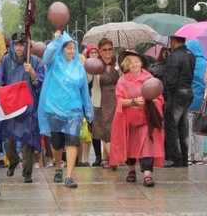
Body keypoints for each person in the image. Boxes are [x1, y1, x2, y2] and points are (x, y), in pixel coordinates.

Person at [38, 31, 93, 188]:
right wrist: (56, 41)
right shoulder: (53, 63)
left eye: (72, 48)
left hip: (74, 112)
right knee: (56, 143)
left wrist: (88, 111)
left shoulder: (79, 68)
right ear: (62, 49)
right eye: (67, 47)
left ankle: (69, 175)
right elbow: (47, 55)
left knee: (72, 142)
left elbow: (84, 91)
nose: (70, 50)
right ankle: (57, 167)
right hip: (54, 109)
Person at [109, 50, 165, 187]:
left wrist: (151, 100)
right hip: (129, 121)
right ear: (126, 65)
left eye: (137, 61)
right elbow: (119, 101)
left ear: (141, 63)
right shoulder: (122, 81)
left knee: (147, 144)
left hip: (146, 119)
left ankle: (147, 174)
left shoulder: (149, 78)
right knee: (129, 145)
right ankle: (131, 169)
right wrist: (133, 102)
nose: (134, 64)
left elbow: (159, 96)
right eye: (131, 62)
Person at [0, 33, 45, 184]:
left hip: (28, 106)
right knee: (9, 140)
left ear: (27, 46)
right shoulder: (5, 61)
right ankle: (14, 160)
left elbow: (41, 84)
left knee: (28, 140)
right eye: (16, 44)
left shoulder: (35, 61)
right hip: (11, 107)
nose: (18, 48)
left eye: (22, 44)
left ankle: (27, 172)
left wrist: (33, 74)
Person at [163, 35, 196, 167]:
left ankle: (174, 157)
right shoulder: (191, 54)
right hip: (188, 91)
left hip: (176, 94)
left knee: (172, 127)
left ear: (173, 40)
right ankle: (184, 157)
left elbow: (170, 79)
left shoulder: (175, 55)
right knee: (183, 126)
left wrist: (166, 95)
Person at [88, 38, 120, 168]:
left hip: (116, 100)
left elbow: (124, 80)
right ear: (100, 51)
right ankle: (112, 158)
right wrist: (89, 68)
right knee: (104, 130)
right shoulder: (95, 65)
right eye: (104, 50)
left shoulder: (118, 64)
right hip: (100, 101)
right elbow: (88, 79)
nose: (107, 52)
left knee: (112, 130)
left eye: (110, 49)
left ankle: (106, 158)